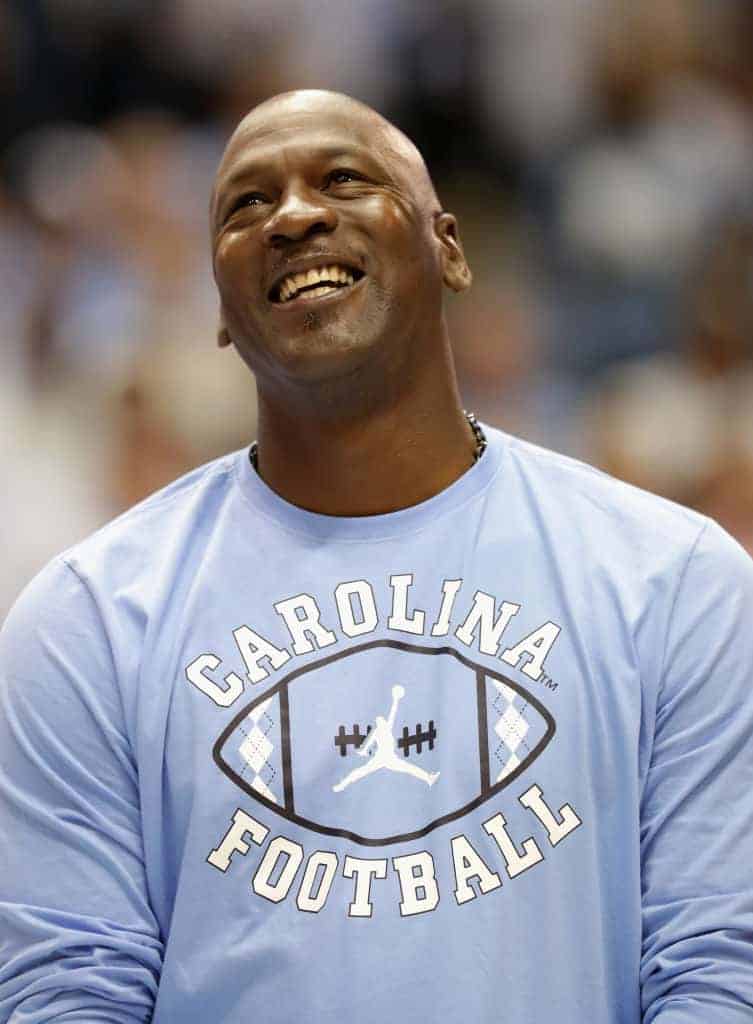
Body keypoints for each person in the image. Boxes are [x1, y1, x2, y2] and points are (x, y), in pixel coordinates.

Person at [1, 89, 752, 1024]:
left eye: (343, 180)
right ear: (223, 312)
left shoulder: (676, 581)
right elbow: (70, 990)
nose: (295, 216)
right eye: (245, 204)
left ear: (448, 247)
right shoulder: (87, 620)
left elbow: (719, 970)